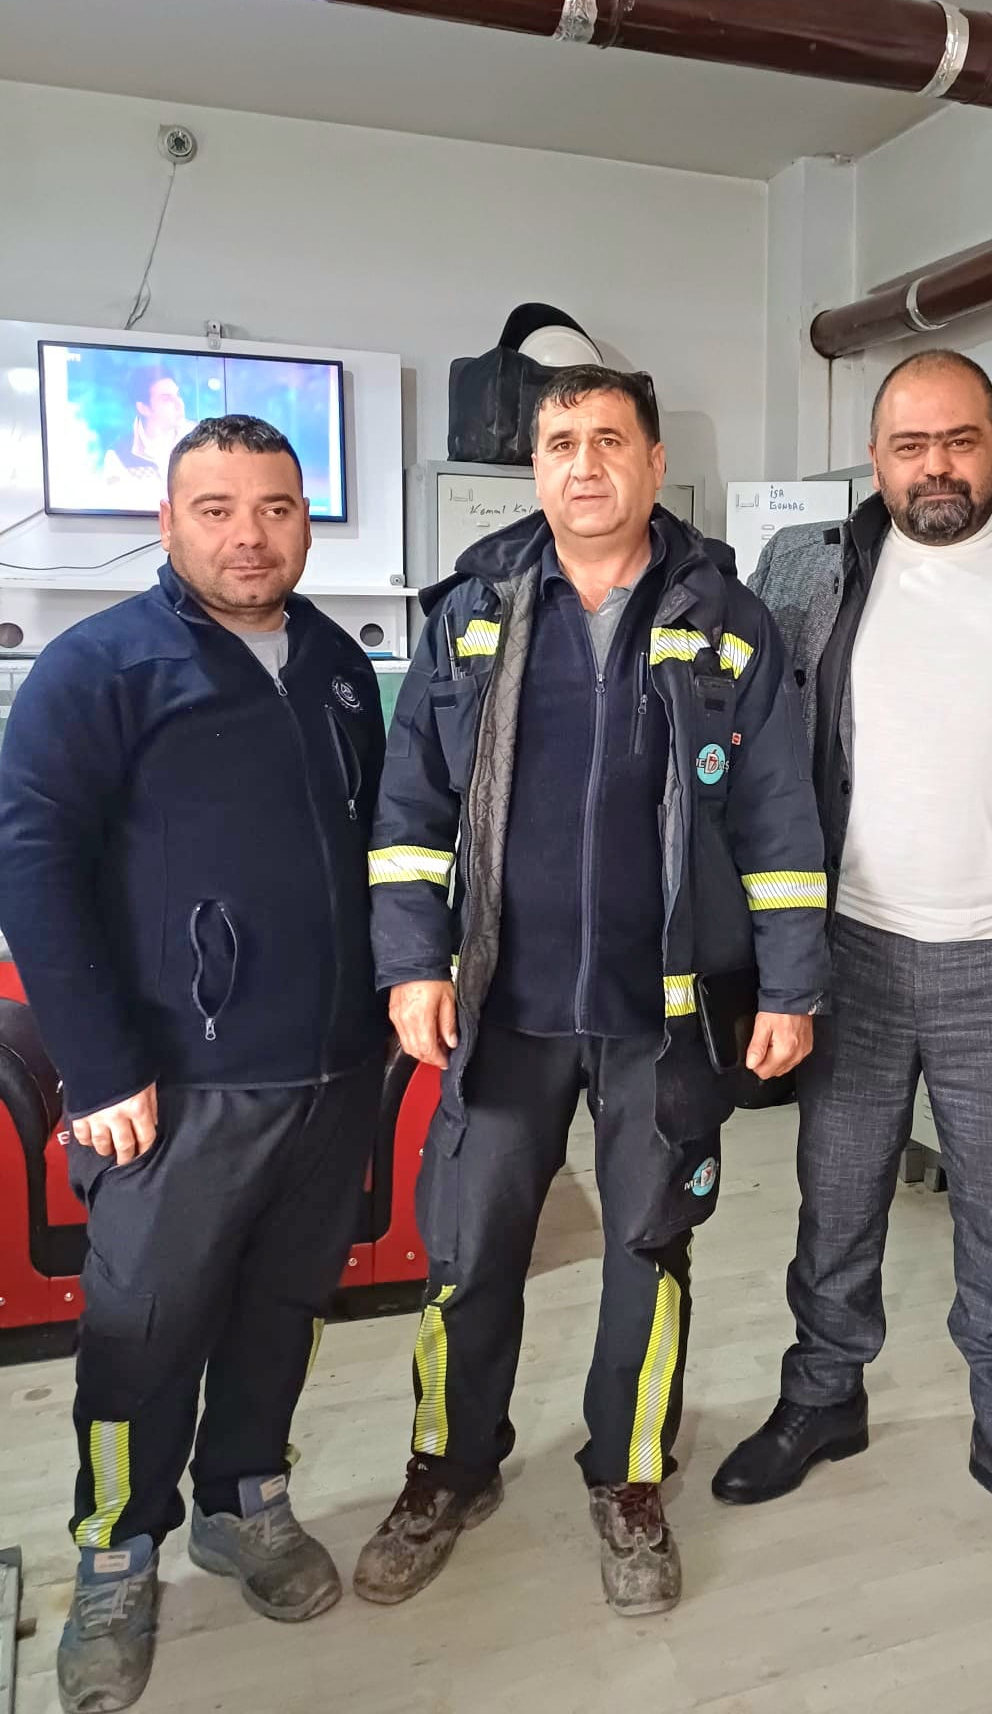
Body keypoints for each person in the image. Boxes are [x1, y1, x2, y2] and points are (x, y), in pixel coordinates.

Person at [355, 364, 827, 1617]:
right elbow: (410, 809)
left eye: (610, 438)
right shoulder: (473, 609)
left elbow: (780, 817)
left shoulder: (726, 619)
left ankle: (629, 1476)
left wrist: (791, 984)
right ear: (535, 466)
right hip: (501, 1004)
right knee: (468, 1250)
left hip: (661, 1012)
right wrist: (410, 960)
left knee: (647, 1248)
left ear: (655, 462)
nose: (584, 463)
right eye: (560, 440)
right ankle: (449, 1465)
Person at [711, 349, 992, 1573]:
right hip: (846, 948)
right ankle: (823, 1395)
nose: (936, 466)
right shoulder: (804, 565)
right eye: (910, 446)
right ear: (877, 459)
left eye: (960, 440)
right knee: (836, 1198)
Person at [0, 415, 388, 1714]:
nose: (249, 535)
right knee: (142, 1336)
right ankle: (116, 1557)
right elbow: (32, 870)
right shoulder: (100, 667)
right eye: (216, 509)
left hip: (331, 1071)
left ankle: (244, 1500)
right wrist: (102, 1066)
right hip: (174, 1085)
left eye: (276, 507)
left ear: (306, 520)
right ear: (167, 523)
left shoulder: (336, 664)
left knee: (283, 1310)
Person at [101, 372, 194, 498]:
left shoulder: (201, 439)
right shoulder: (119, 455)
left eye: (178, 395)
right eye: (166, 399)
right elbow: (119, 502)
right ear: (143, 408)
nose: (179, 404)